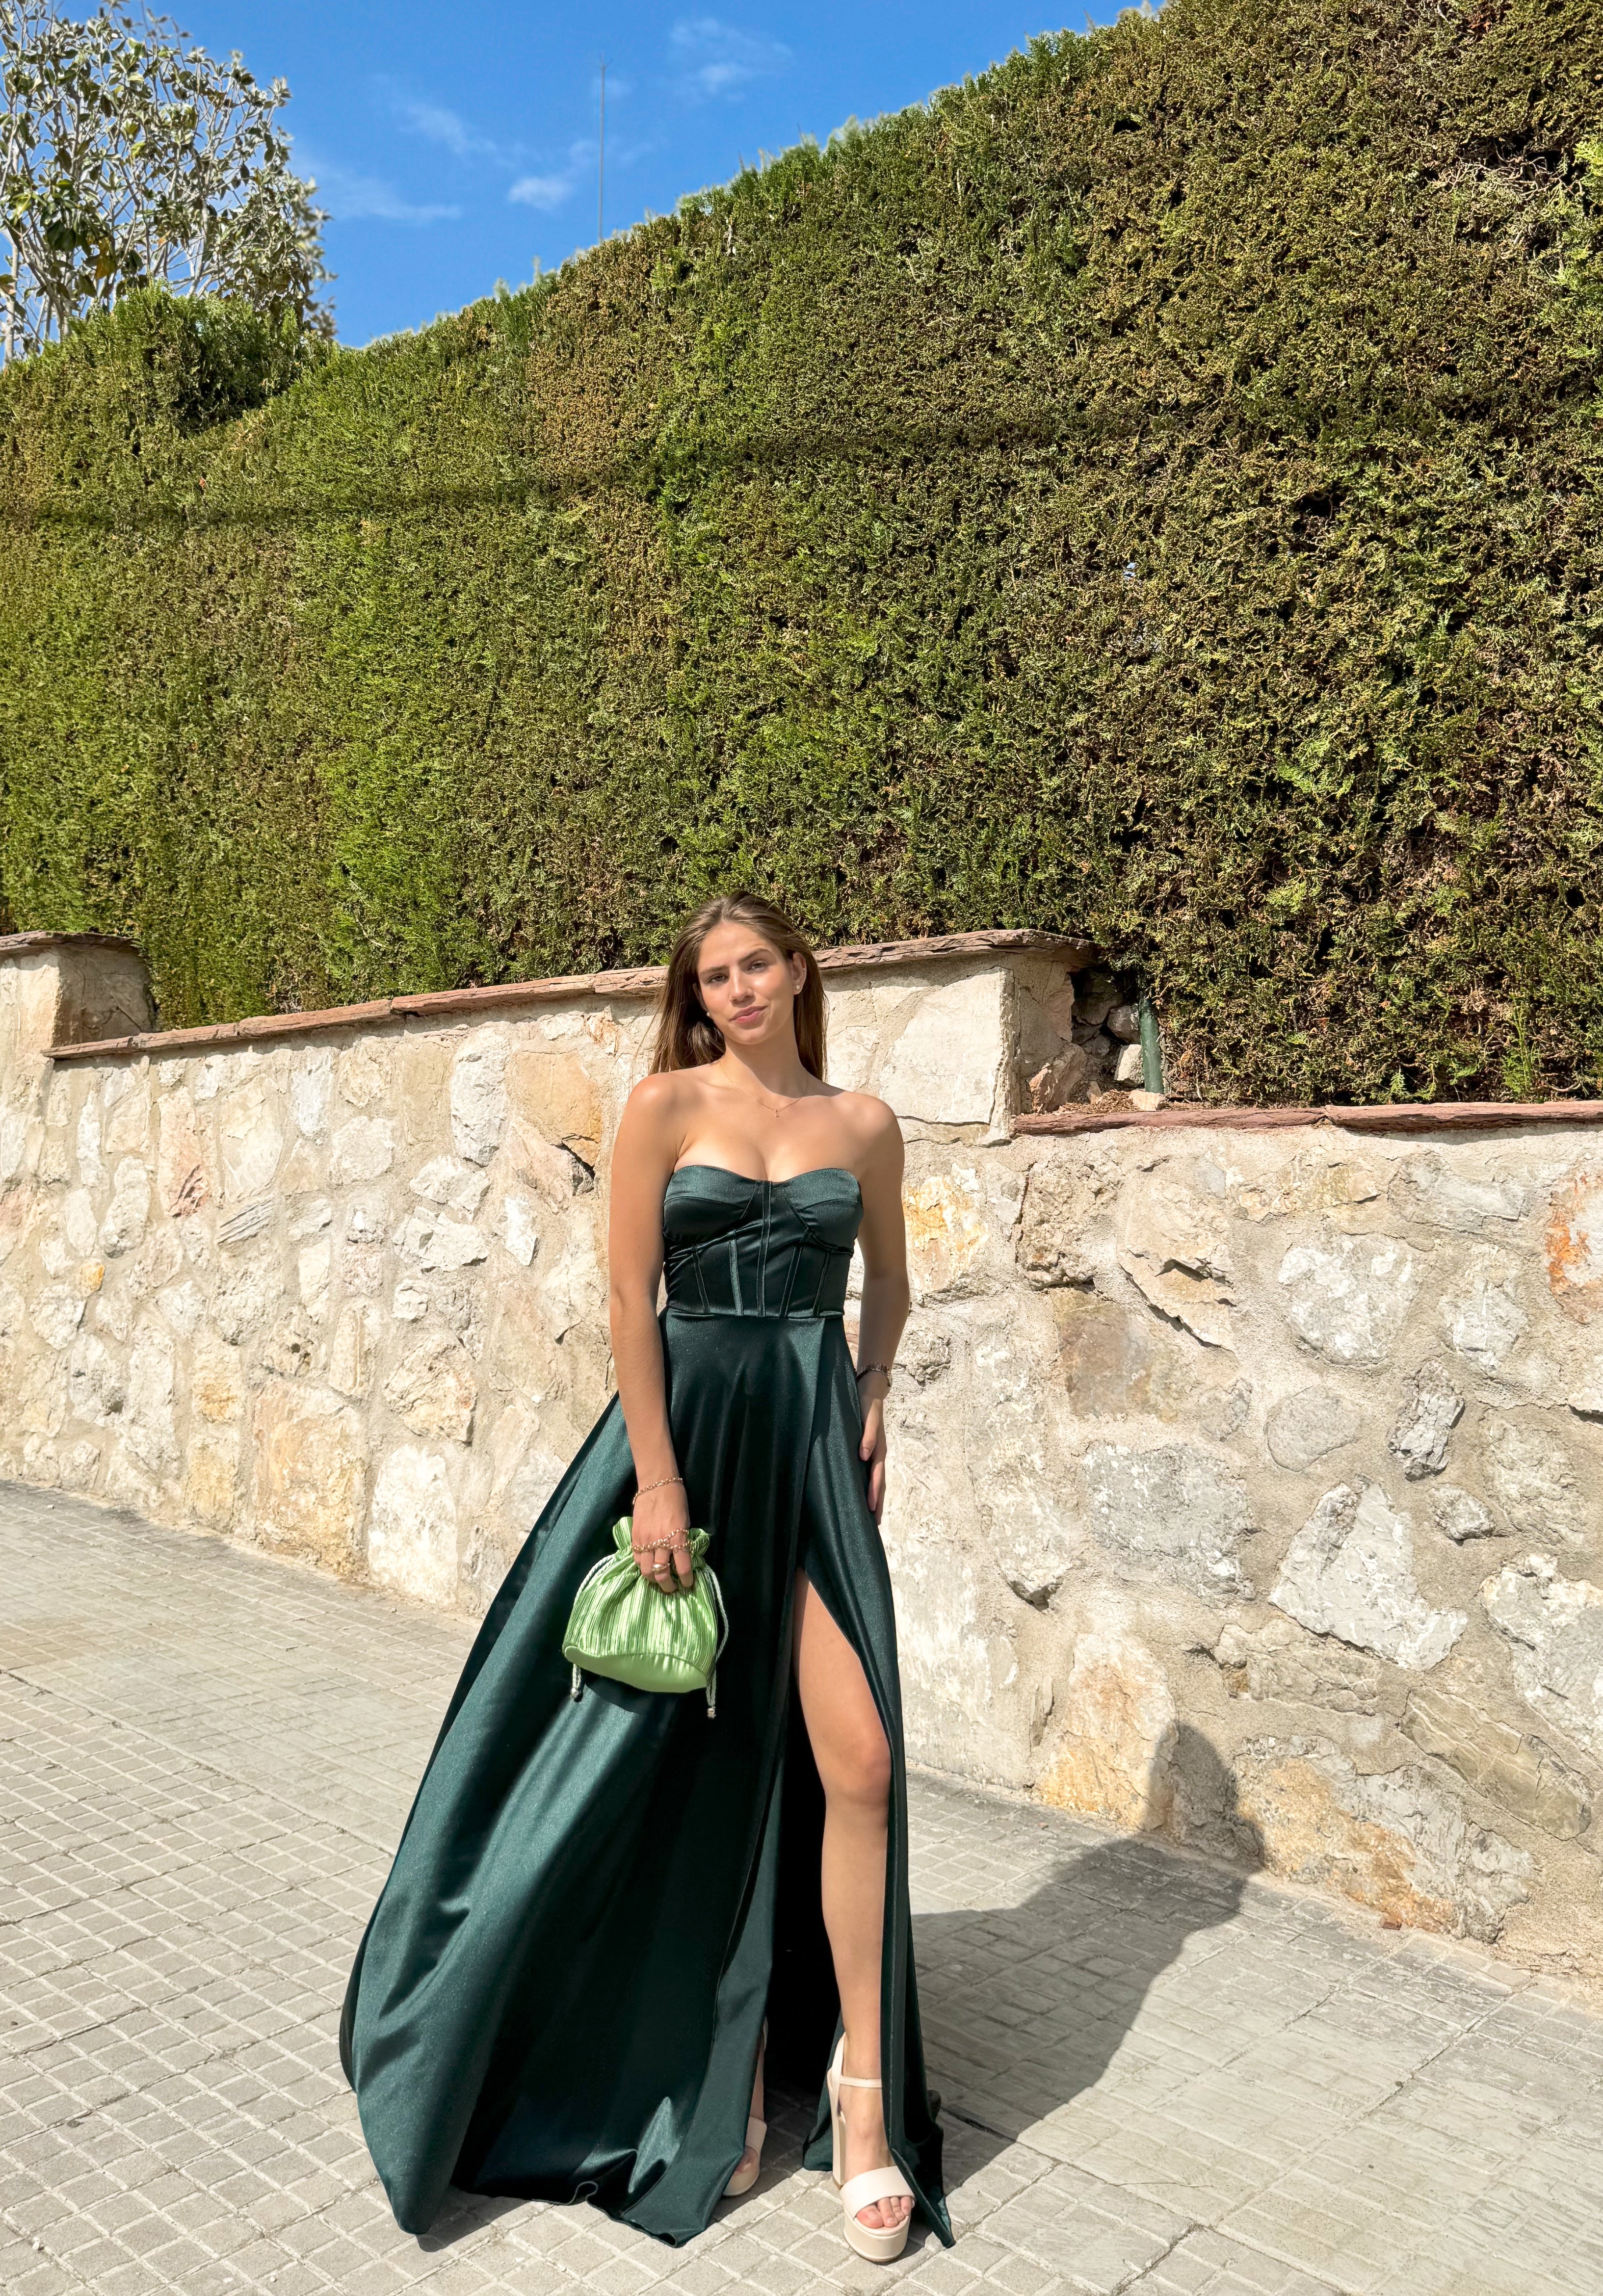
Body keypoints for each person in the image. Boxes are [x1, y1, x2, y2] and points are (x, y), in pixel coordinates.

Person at [339, 893, 951, 2264]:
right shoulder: (664, 1108)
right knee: (672, 1761)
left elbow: (893, 1282)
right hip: (685, 1442)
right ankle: (703, 2066)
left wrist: (871, 1388)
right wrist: (659, 1484)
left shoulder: (865, 1125)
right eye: (714, 975)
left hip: (806, 1451)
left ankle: (862, 2092)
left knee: (859, 1760)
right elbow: (629, 1301)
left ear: (799, 969)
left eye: (757, 965)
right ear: (699, 994)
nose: (738, 989)